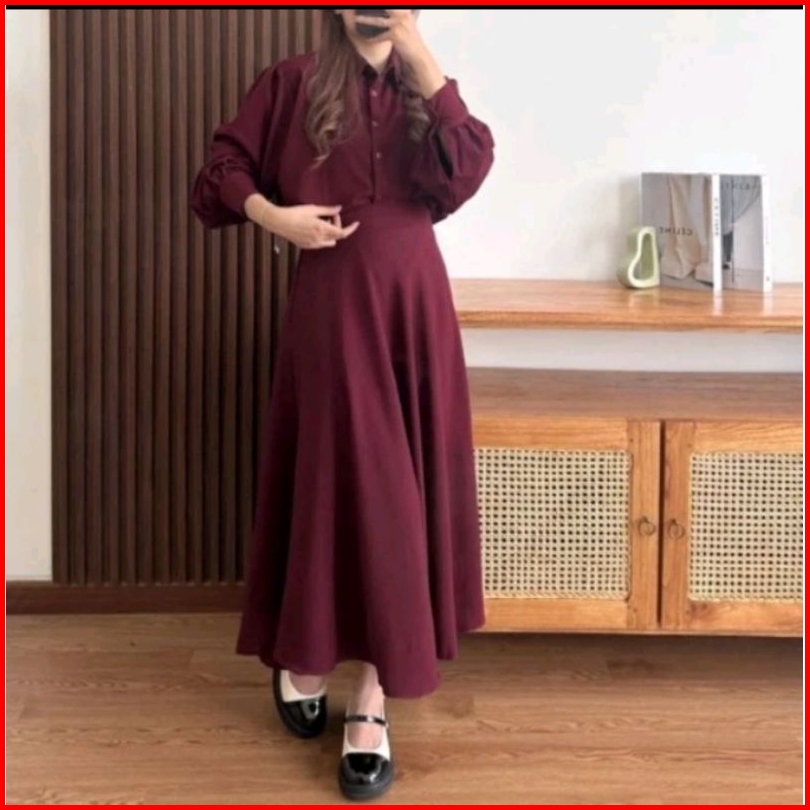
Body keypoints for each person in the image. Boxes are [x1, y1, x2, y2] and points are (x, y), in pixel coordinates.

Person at [191, 8, 494, 801]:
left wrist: (418, 52)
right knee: (337, 490)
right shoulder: (291, 82)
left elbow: (467, 171)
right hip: (330, 313)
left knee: (402, 498)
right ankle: (307, 652)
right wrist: (273, 215)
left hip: (414, 314)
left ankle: (372, 692)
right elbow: (219, 172)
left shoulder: (430, 91)